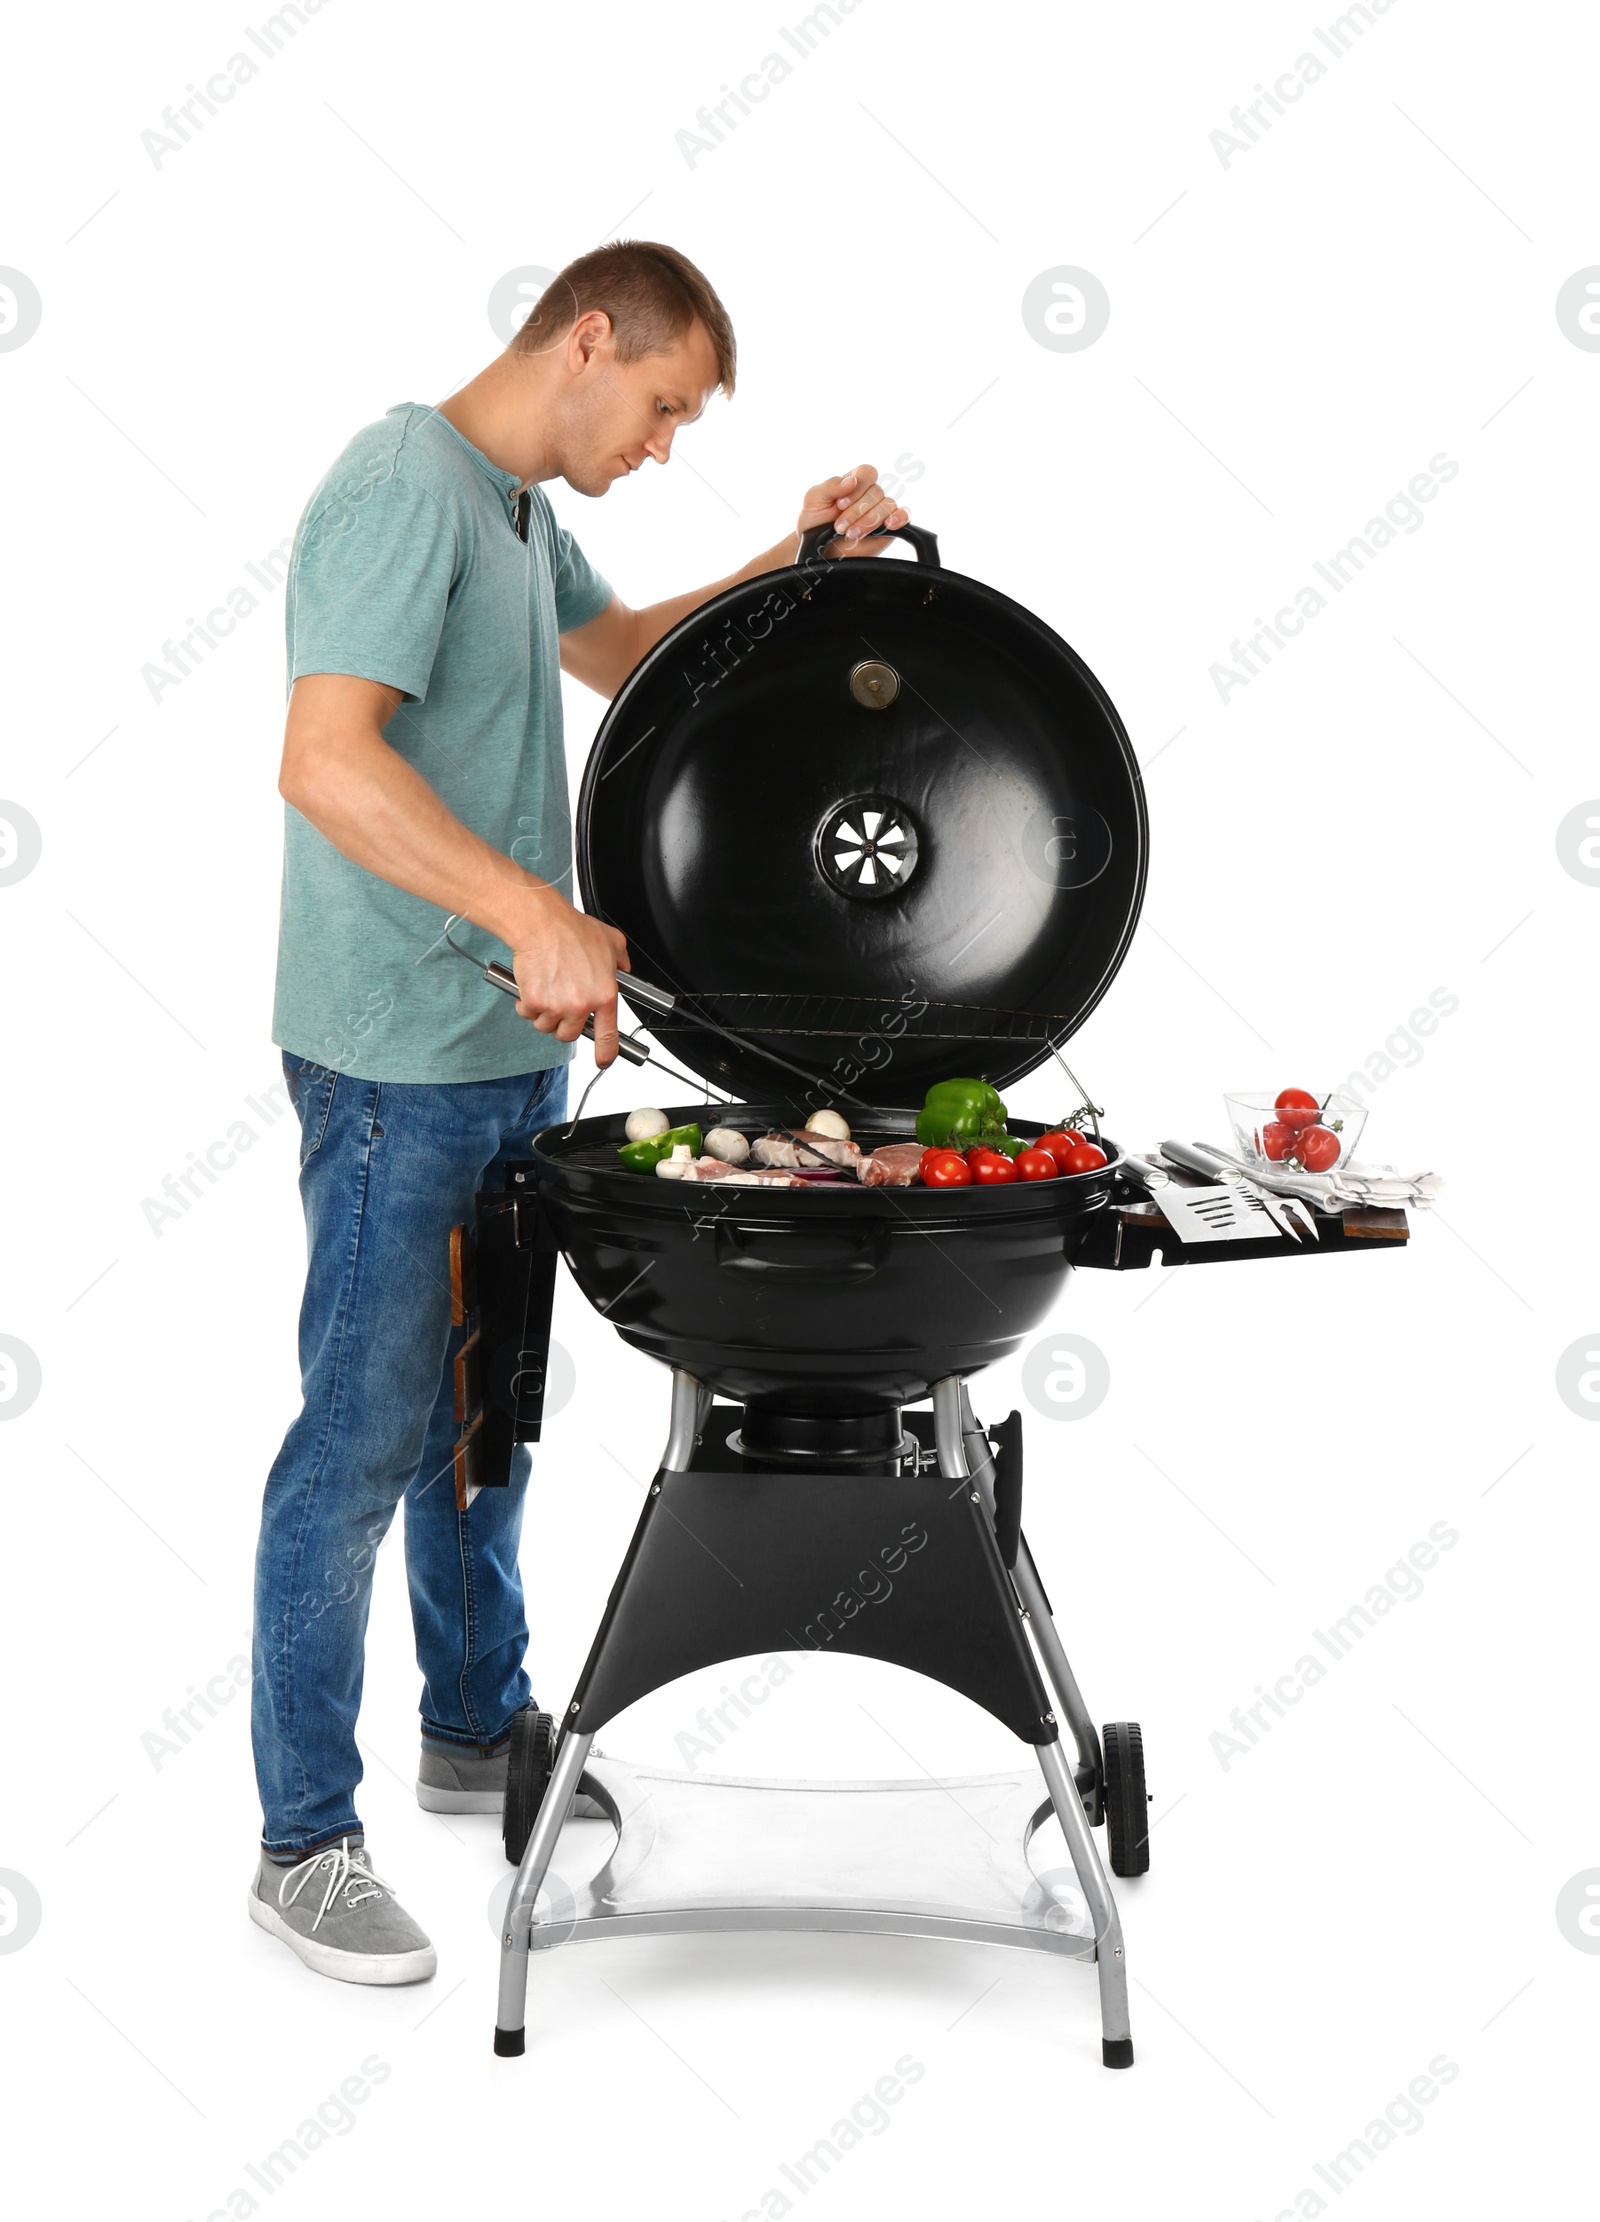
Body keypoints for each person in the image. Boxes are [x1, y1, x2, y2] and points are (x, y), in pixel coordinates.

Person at [248, 239, 914, 1983]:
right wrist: (528, 908)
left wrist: (794, 565)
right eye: (667, 405)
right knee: (362, 1437)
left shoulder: (521, 514)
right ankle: (302, 1839)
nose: (667, 440)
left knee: (487, 1417)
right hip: (394, 1061)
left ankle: (477, 1725)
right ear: (590, 336)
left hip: (499, 1061)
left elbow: (629, 654)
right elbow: (325, 757)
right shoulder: (407, 479)